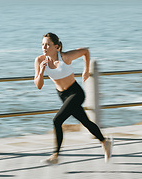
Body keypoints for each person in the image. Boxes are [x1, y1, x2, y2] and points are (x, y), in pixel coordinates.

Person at [34, 32, 113, 164]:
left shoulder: (65, 57)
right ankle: (105, 142)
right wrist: (41, 72)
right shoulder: (40, 61)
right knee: (85, 122)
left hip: (76, 93)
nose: (44, 47)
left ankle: (55, 155)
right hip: (63, 96)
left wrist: (86, 70)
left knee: (57, 120)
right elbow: (38, 86)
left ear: (57, 46)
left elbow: (85, 52)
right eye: (42, 44)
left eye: (48, 44)